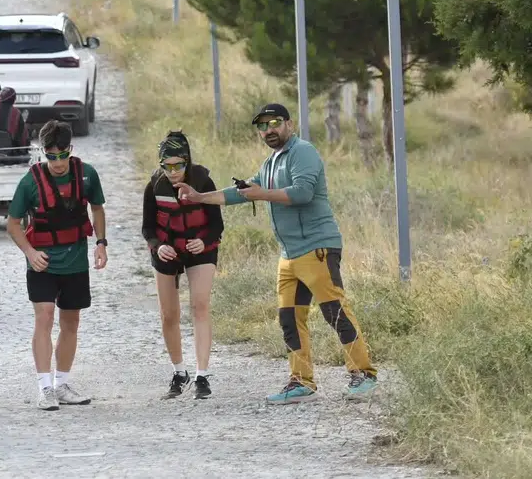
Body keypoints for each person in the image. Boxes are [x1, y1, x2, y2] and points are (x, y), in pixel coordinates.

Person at [176, 103, 379, 405]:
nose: (268, 130)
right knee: (289, 317)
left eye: (274, 123)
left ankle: (363, 374)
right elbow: (242, 192)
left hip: (317, 247)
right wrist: (200, 197)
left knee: (334, 311)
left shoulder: (303, 152)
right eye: (262, 126)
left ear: (289, 124)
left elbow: (302, 193)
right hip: (289, 254)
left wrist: (262, 194)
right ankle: (301, 382)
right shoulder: (271, 162)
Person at [6, 120, 108, 410]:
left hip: (75, 261)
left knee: (70, 322)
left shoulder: (87, 175)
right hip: (42, 263)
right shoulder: (29, 182)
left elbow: (97, 209)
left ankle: (62, 383)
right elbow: (12, 224)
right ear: (43, 153)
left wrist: (101, 243)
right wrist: (29, 252)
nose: (59, 163)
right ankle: (44, 388)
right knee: (44, 317)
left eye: (63, 156)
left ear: (71, 150)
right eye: (52, 157)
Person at [141, 130, 222, 400]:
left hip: (200, 247)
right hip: (166, 249)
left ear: (187, 162)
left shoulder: (203, 181)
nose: (173, 171)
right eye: (167, 166)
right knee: (168, 314)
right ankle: (179, 372)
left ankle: (202, 375)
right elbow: (147, 228)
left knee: (200, 305)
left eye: (179, 165)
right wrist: (157, 245)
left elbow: (216, 226)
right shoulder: (154, 186)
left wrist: (204, 241)